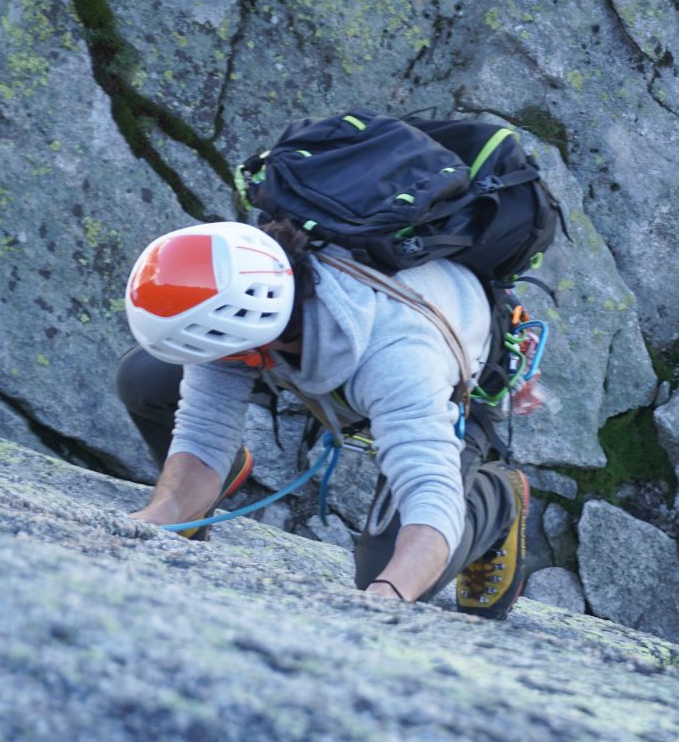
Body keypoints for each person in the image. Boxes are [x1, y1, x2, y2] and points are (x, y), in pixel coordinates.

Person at [114, 217, 529, 617]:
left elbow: (430, 495)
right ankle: (211, 487)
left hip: (445, 369)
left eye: (227, 354)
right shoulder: (249, 283)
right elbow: (203, 431)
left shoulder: (399, 358)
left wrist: (387, 595)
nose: (214, 363)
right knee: (145, 379)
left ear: (256, 343)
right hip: (326, 348)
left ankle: (496, 498)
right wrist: (155, 520)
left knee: (390, 571)